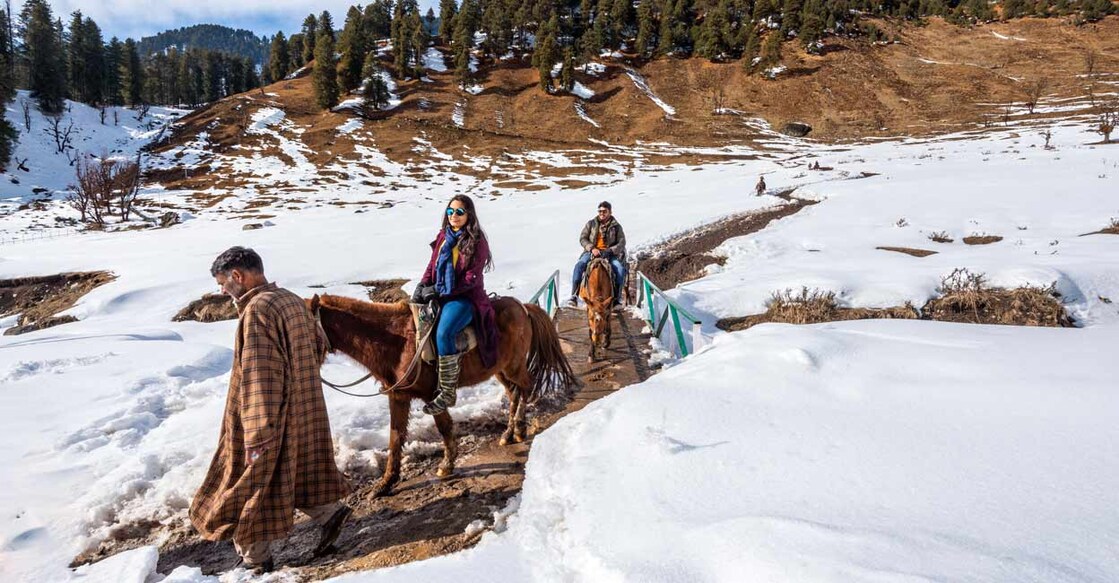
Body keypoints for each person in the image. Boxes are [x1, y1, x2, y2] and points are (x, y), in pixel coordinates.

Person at [190, 247, 351, 574]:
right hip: (303, 408)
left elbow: (260, 376)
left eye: (223, 283)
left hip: (270, 416)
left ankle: (254, 560)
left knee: (249, 484)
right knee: (295, 470)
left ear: (238, 276)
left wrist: (257, 434)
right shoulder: (290, 299)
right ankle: (329, 513)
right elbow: (320, 346)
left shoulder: (257, 311)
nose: (222, 291)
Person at [412, 194, 499, 416]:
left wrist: (440, 292)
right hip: (442, 293)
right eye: (450, 212)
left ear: (469, 214)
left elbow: (471, 278)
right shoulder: (444, 236)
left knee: (444, 333)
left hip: (465, 297)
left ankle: (448, 391)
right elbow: (432, 266)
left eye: (459, 212)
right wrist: (423, 286)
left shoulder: (477, 241)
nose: (454, 216)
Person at [568, 201, 627, 307]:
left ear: (610, 212)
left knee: (620, 269)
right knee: (579, 265)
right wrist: (592, 248)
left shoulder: (616, 226)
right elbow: (583, 238)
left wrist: (610, 251)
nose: (602, 213)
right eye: (600, 211)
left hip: (610, 254)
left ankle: (616, 299)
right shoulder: (591, 223)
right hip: (591, 252)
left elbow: (622, 242)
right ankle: (574, 295)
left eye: (604, 211)